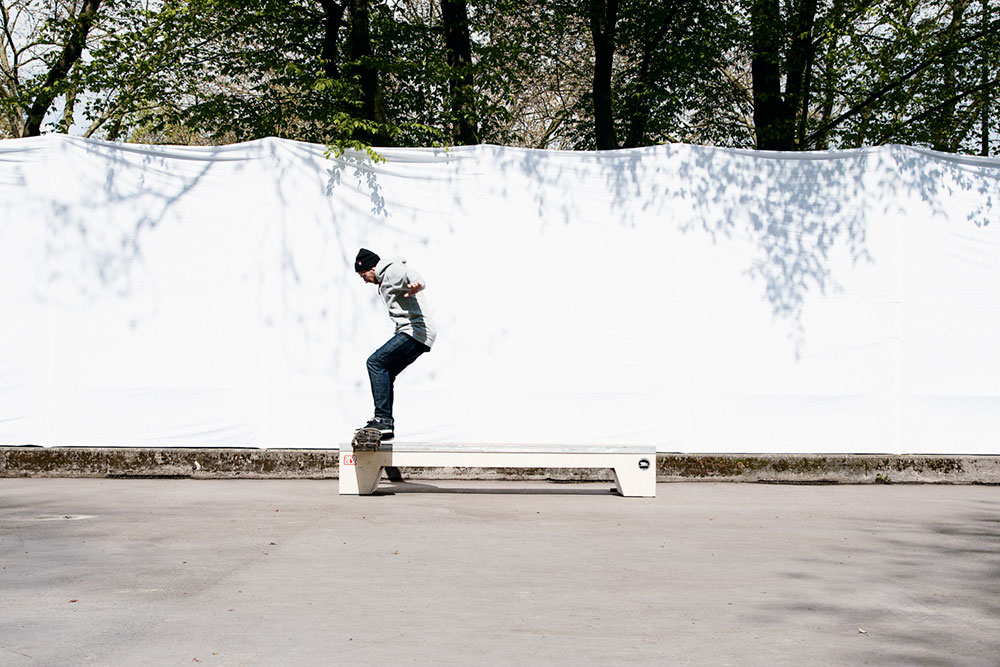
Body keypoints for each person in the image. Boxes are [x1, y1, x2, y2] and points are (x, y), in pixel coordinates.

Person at [354, 248, 436, 440]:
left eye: (363, 275)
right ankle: (385, 424)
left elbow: (410, 274)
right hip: (416, 332)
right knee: (386, 371)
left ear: (372, 268)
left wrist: (417, 284)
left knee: (375, 363)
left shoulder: (390, 270)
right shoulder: (384, 278)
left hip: (415, 331)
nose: (364, 280)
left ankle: (383, 419)